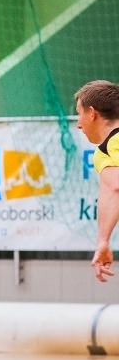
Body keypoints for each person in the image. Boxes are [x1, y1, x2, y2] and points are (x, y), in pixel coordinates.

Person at [74, 80, 119, 282]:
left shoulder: (108, 148)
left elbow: (114, 188)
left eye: (79, 113)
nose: (78, 123)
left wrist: (103, 241)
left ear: (92, 113)